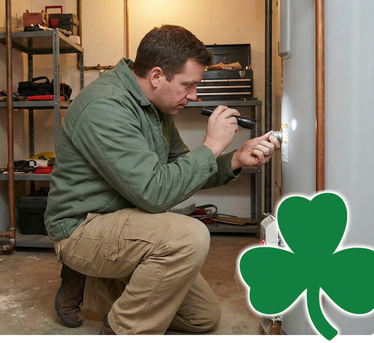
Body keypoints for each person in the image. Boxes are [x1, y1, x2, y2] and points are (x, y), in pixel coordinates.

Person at [44, 24, 280, 338]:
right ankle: (122, 329)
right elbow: (154, 193)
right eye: (188, 84)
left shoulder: (156, 107)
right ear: (157, 76)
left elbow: (181, 169)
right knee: (188, 236)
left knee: (203, 317)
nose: (194, 95)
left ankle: (94, 283)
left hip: (124, 218)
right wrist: (211, 145)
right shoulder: (105, 108)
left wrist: (234, 158)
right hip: (82, 226)